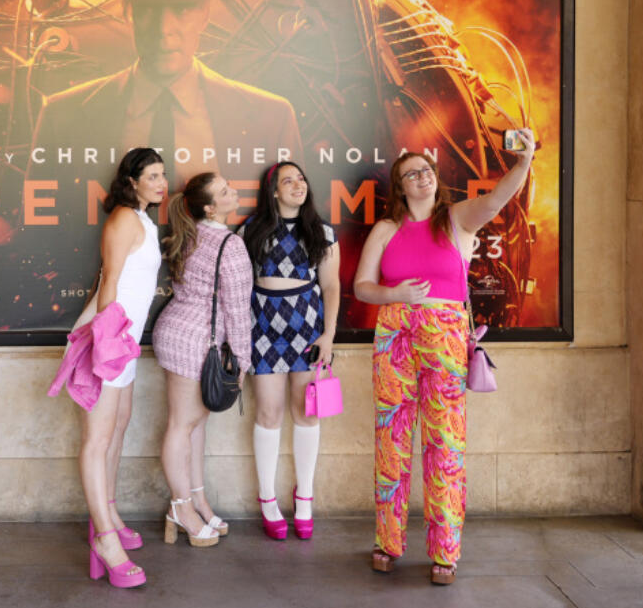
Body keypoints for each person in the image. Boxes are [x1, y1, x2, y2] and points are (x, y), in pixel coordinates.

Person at [354, 129, 535, 585]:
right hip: (394, 334)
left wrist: (523, 162)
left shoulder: (455, 220)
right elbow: (362, 286)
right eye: (412, 173)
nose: (423, 178)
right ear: (399, 186)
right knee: (391, 440)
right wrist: (392, 292)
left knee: (445, 444)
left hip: (444, 334)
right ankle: (387, 542)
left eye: (428, 171)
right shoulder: (387, 229)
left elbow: (497, 199)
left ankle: (445, 553)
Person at [29, 0, 303, 187]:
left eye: (182, 9)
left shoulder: (272, 120)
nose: (164, 29)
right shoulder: (61, 117)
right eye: (149, 9)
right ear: (128, 11)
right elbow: (42, 233)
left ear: (205, 13)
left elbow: (290, 231)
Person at [77, 148, 166, 589]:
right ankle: (106, 542)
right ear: (131, 181)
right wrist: (106, 344)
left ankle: (107, 513)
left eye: (163, 174)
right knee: (98, 439)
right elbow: (108, 281)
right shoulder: (124, 219)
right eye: (152, 175)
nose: (161, 182)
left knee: (117, 428)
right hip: (109, 339)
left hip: (124, 342)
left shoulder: (144, 221)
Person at [239, 162, 340, 540]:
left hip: (307, 330)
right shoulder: (251, 230)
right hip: (263, 328)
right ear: (274, 192)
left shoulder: (323, 232)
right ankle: (267, 498)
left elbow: (331, 287)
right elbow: (238, 285)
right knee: (268, 412)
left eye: (301, 179)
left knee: (306, 413)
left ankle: (305, 497)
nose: (298, 185)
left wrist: (328, 335)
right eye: (288, 180)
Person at [151, 172, 253, 548]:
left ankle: (198, 501)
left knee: (194, 425)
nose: (234, 190)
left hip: (177, 333)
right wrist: (242, 361)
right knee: (182, 425)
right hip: (195, 342)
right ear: (210, 207)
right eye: (225, 190)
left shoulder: (190, 233)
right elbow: (238, 311)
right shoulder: (230, 245)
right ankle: (180, 508)